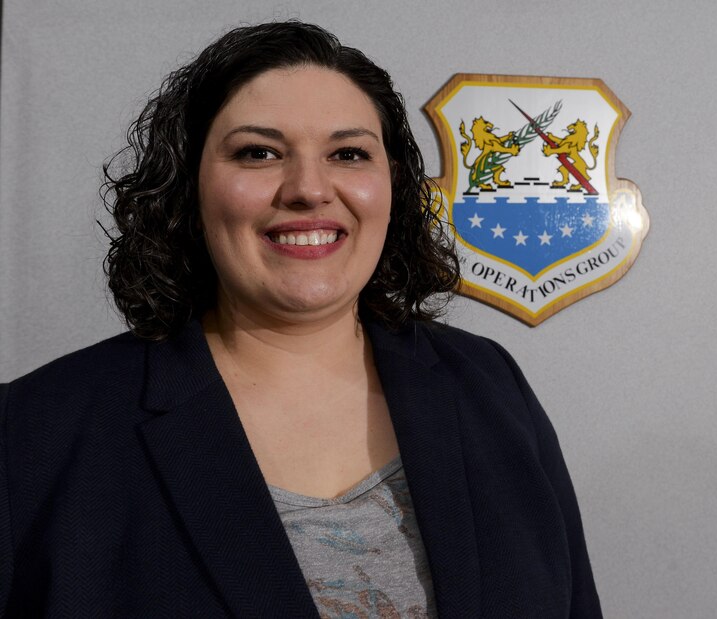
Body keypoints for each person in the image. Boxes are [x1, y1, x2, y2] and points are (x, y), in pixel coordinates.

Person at [0, 21, 601, 618]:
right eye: (258, 152)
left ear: (391, 183)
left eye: (348, 153)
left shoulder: (487, 382)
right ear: (188, 187)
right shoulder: (32, 434)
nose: (309, 189)